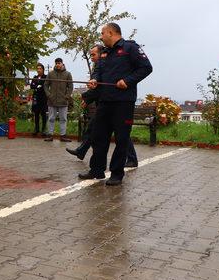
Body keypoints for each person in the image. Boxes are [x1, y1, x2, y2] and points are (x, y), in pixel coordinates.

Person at [79, 23, 152, 186]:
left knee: (121, 139)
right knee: (99, 138)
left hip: (123, 103)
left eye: (102, 33)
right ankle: (96, 171)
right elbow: (98, 71)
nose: (100, 36)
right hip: (104, 102)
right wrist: (94, 80)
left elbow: (146, 68)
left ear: (111, 33)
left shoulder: (130, 48)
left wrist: (127, 81)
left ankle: (116, 174)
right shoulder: (104, 52)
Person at [66, 45, 139, 166]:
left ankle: (131, 159)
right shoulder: (99, 67)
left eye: (93, 54)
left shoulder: (110, 66)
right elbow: (97, 85)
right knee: (93, 129)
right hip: (103, 106)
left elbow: (101, 88)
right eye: (90, 55)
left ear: (101, 54)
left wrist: (87, 97)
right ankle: (82, 151)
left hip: (112, 105)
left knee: (121, 134)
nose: (91, 57)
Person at [44, 58, 73, 142]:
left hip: (63, 101)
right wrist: (49, 95)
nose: (57, 64)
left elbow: (70, 86)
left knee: (63, 119)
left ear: (62, 64)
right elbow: (45, 85)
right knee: (51, 118)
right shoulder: (50, 74)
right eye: (56, 63)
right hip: (51, 101)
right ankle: (50, 135)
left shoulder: (68, 74)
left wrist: (67, 96)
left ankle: (63, 136)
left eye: (59, 63)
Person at [30, 63, 48, 136]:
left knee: (43, 114)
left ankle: (43, 130)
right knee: (36, 114)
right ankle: (36, 129)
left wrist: (37, 86)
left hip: (43, 98)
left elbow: (44, 86)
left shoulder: (46, 77)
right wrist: (38, 86)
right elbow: (32, 86)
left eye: (40, 69)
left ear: (43, 69)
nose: (38, 70)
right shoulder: (35, 77)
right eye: (37, 69)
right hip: (36, 98)